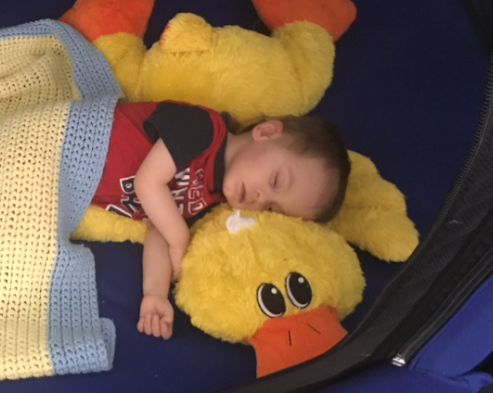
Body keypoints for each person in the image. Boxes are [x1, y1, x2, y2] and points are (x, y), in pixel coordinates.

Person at [91, 100, 351, 340]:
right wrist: (180, 240)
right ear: (267, 132)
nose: (260, 199)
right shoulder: (202, 128)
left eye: (272, 209)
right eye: (275, 181)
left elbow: (160, 230)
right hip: (73, 137)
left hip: (68, 187)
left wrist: (155, 294)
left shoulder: (213, 202)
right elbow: (148, 183)